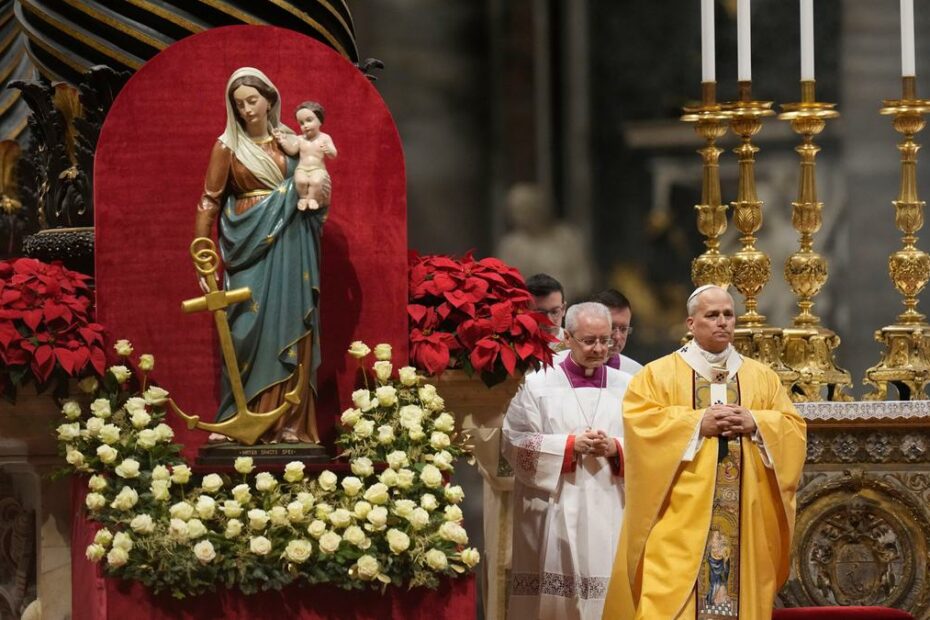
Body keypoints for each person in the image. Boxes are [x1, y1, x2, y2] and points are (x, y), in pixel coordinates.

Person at [603, 285, 807, 619]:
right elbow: (641, 426)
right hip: (679, 521)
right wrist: (698, 423)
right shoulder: (657, 375)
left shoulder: (762, 378)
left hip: (744, 521)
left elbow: (793, 428)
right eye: (712, 315)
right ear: (690, 323)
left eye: (728, 314)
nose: (722, 322)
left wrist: (755, 421)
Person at [194, 67, 322, 444]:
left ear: (269, 99)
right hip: (246, 247)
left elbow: (313, 184)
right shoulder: (227, 147)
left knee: (292, 328)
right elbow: (209, 200)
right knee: (243, 332)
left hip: (292, 244)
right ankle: (238, 417)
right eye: (239, 104)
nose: (247, 110)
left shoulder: (289, 143)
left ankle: (290, 425)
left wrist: (318, 195)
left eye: (252, 100)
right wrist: (202, 254)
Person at [503, 302, 629, 619]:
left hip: (609, 504)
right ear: (568, 337)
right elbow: (514, 440)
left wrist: (616, 447)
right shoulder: (538, 384)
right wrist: (568, 446)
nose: (599, 348)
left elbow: (651, 443)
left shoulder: (629, 387)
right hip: (552, 507)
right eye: (589, 340)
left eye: (606, 340)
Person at [496, 183, 595, 301]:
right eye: (515, 210)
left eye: (525, 208)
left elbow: (584, 279)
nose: (519, 216)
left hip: (570, 306)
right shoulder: (511, 246)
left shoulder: (567, 237)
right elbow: (507, 286)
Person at [273, 101, 337, 211]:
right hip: (302, 168)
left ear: (319, 120)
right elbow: (292, 151)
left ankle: (312, 198)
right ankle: (303, 198)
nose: (305, 125)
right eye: (301, 123)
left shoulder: (325, 138)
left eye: (309, 120)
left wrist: (328, 150)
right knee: (300, 181)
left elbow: (333, 155)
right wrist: (283, 141)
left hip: (318, 169)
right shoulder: (300, 139)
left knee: (316, 181)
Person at [590, 288, 643, 374]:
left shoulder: (636, 374)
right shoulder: (561, 367)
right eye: (611, 327)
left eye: (624, 329)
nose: (618, 337)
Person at [526, 272, 567, 350]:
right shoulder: (511, 346)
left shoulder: (577, 347)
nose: (549, 321)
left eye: (555, 312)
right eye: (540, 314)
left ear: (563, 309)